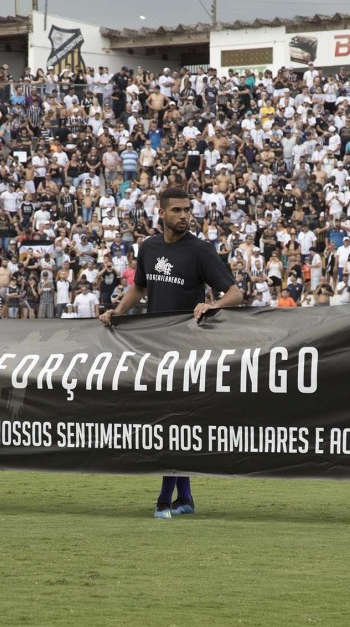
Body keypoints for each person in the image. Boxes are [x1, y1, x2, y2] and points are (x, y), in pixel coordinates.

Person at [99, 187, 243, 519]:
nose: (183, 215)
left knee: (172, 423)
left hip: (188, 350)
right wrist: (118, 310)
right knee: (174, 424)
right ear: (161, 213)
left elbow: (234, 293)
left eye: (187, 210)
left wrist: (212, 305)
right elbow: (140, 286)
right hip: (155, 349)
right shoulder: (149, 248)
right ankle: (186, 498)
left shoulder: (201, 251)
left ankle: (165, 499)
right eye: (176, 210)